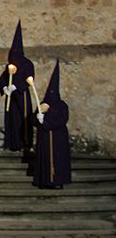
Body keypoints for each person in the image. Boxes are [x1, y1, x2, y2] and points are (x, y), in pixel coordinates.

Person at [32, 60, 71, 189]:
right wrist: (38, 118)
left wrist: (46, 121)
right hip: (44, 138)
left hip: (58, 138)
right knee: (45, 159)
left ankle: (58, 181)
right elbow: (34, 120)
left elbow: (63, 119)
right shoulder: (42, 104)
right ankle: (44, 181)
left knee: (58, 159)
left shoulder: (62, 105)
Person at [0, 21, 35, 152]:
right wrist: (4, 88)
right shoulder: (9, 65)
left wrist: (15, 86)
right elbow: (3, 78)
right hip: (11, 97)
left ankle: (25, 143)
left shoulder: (27, 64)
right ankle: (13, 143)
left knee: (23, 119)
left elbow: (29, 79)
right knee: (12, 118)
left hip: (22, 95)